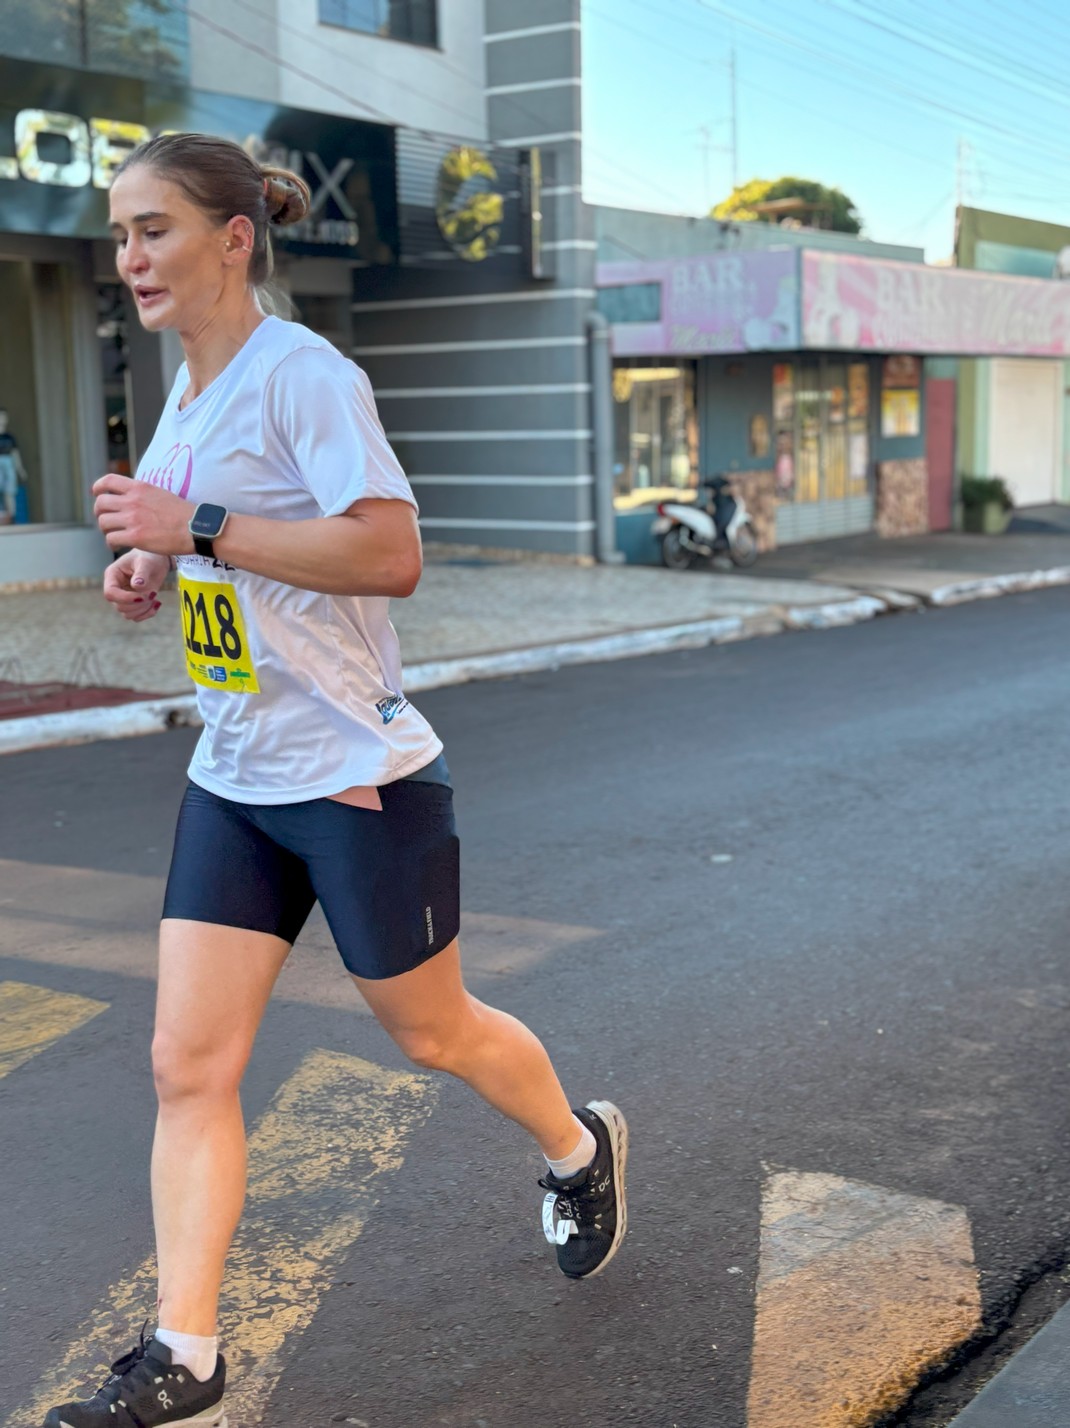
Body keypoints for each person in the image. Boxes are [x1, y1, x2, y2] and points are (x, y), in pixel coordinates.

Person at [44, 133, 628, 1428]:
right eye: (119, 232)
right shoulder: (184, 402)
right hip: (237, 775)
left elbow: (387, 554)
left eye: (153, 229)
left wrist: (192, 526)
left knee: (433, 1034)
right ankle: (184, 1352)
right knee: (185, 1065)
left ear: (232, 236)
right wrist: (156, 574)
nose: (128, 256)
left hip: (358, 779)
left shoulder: (302, 375)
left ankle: (578, 1148)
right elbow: (232, 566)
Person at [0, 408, 28, 524]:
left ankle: (11, 516)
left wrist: (20, 470)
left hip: (9, 465)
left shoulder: (10, 438)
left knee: (9, 492)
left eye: (3, 417)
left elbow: (15, 454)